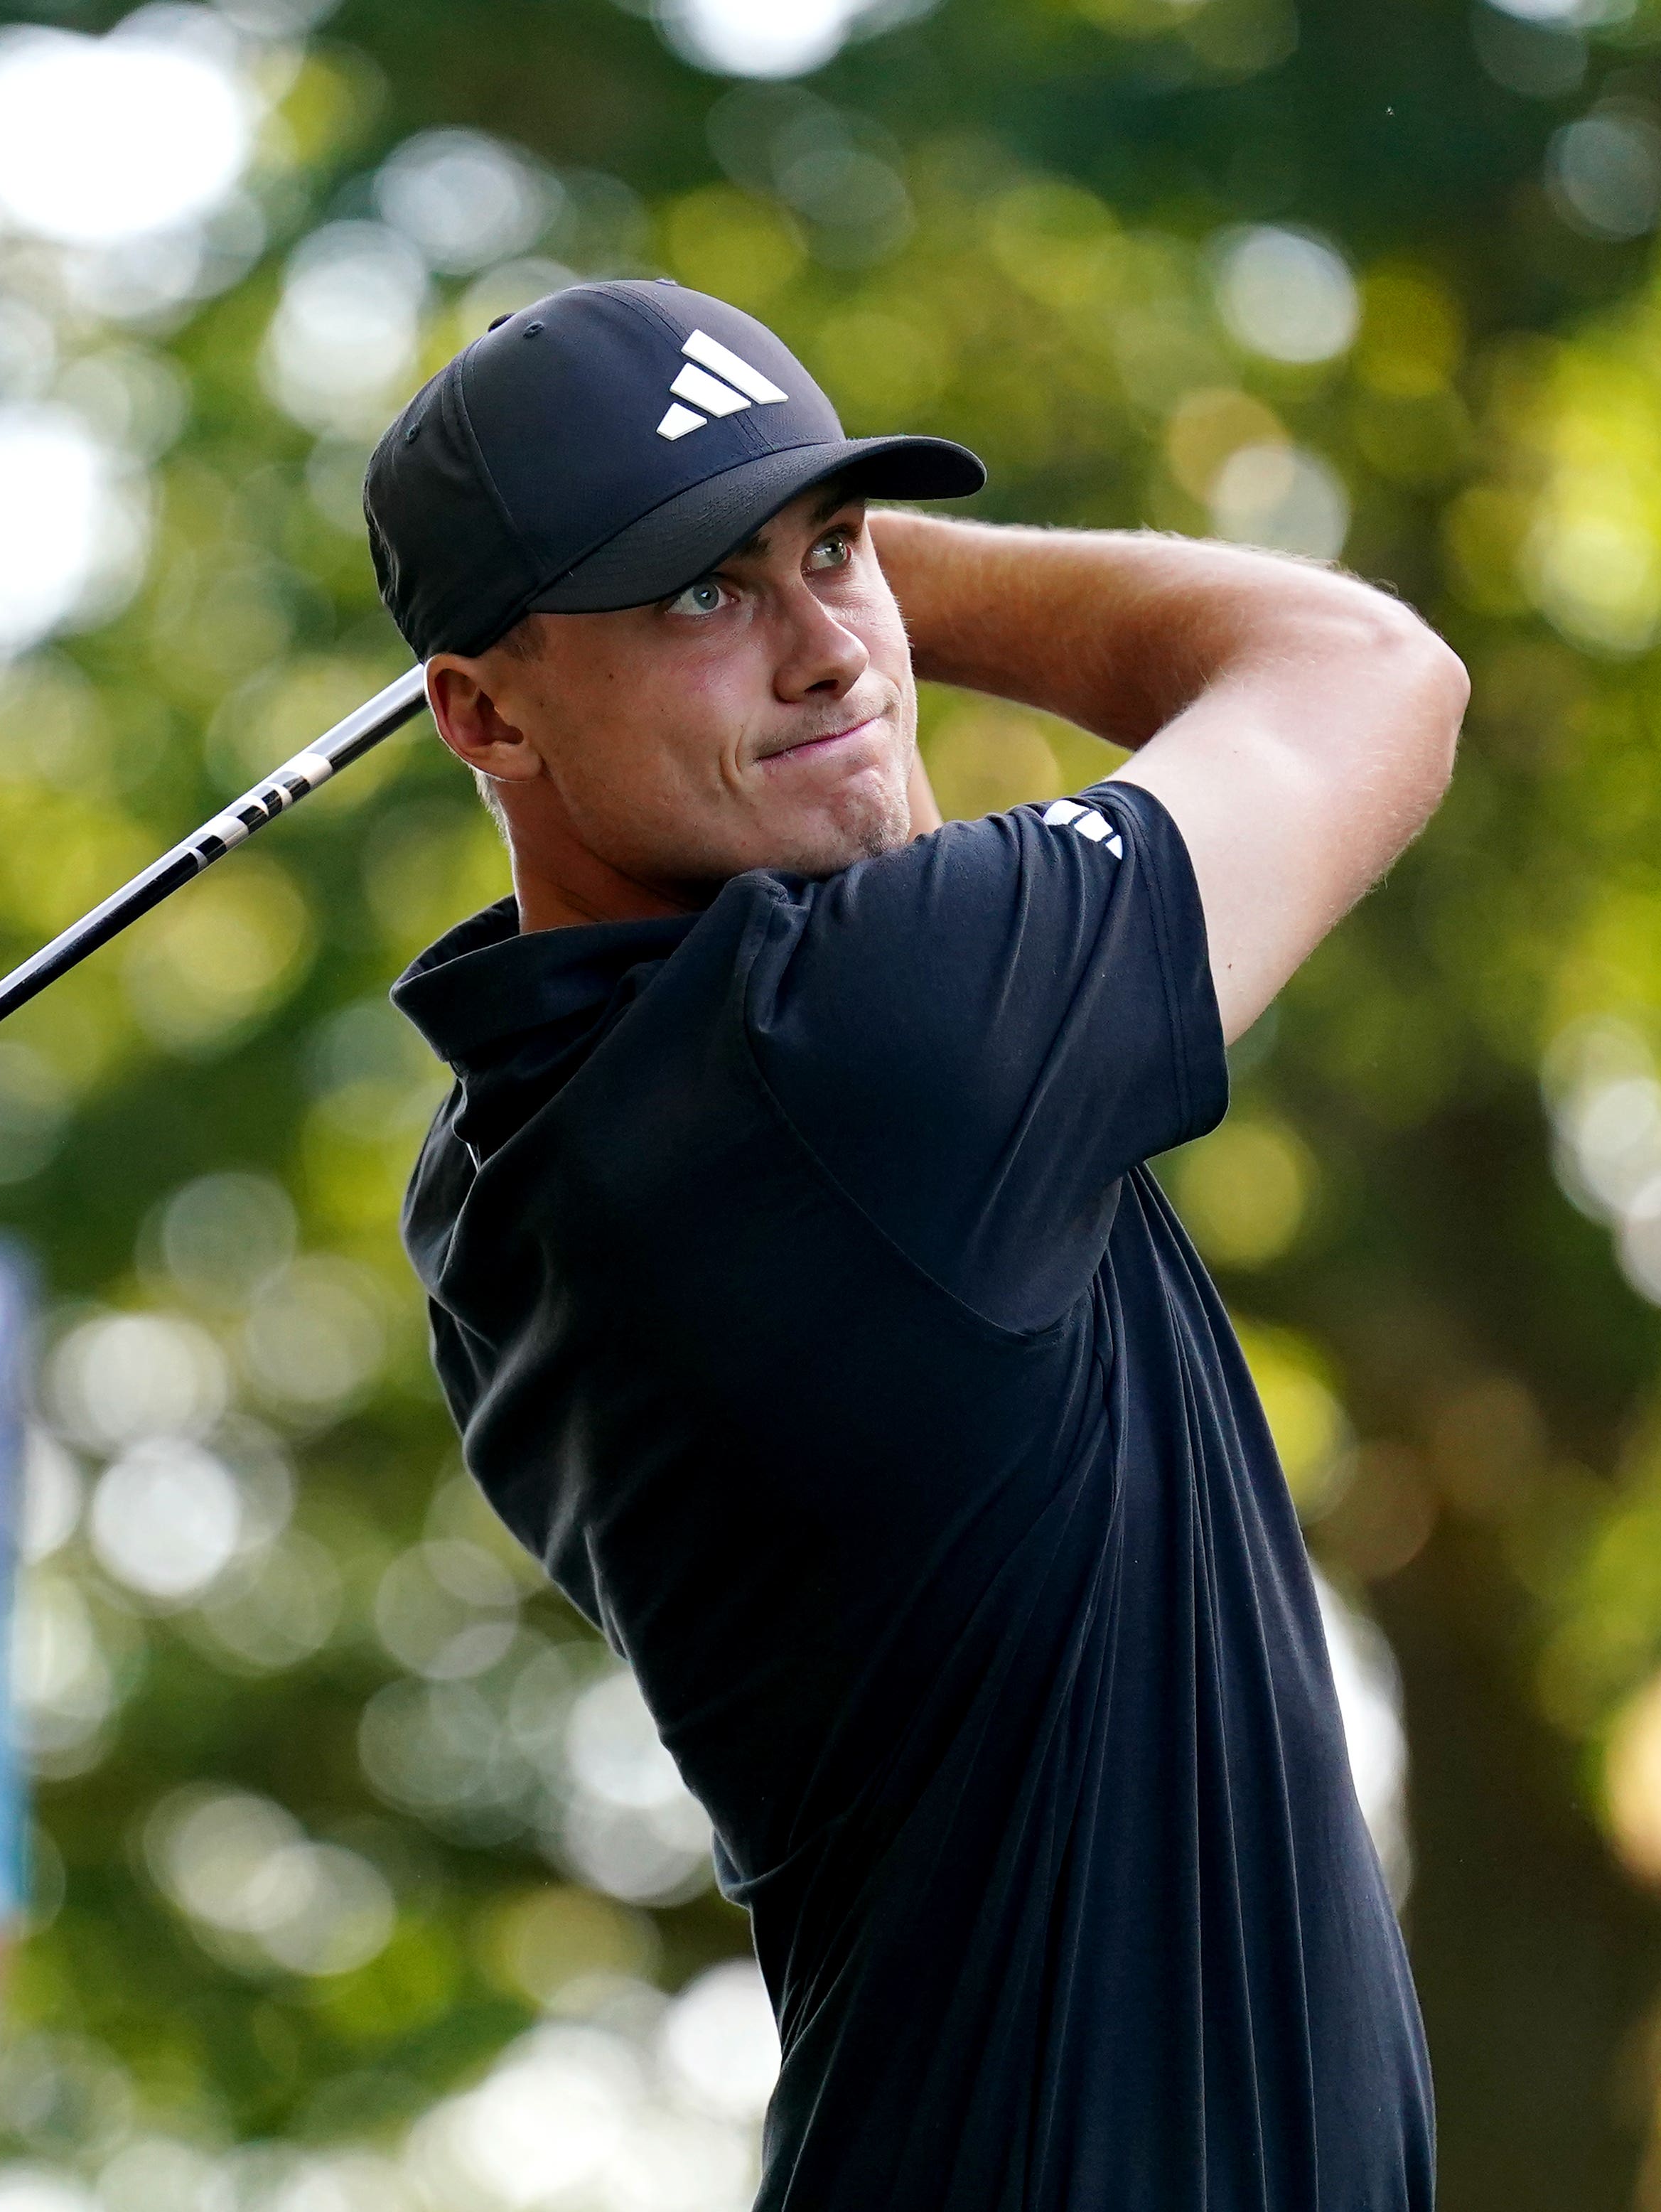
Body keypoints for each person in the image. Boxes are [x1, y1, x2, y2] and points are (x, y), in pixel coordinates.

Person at [368, 279, 1466, 2209]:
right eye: (700, 593)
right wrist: (914, 589)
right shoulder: (859, 1051)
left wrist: (775, 600)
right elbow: (1368, 670)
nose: (824, 652)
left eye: (835, 549)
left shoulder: (512, 1167)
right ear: (476, 709)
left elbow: (856, 817)